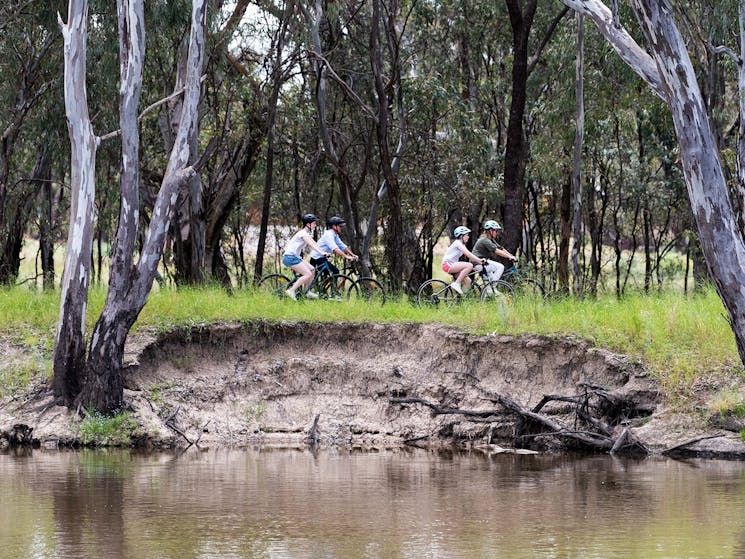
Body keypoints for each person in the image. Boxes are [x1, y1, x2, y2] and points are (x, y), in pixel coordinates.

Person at [282, 213, 330, 300]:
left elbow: (315, 243)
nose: (315, 225)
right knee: (307, 274)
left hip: (295, 257)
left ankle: (306, 291)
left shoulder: (306, 233)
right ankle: (291, 291)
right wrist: (321, 252)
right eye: (314, 223)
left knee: (312, 269)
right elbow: (311, 244)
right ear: (308, 224)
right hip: (290, 257)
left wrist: (323, 251)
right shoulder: (302, 233)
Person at [441, 226, 485, 295]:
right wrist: (479, 261)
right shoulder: (457, 243)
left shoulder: (462, 245)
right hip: (447, 265)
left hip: (452, 265)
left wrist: (474, 266)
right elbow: (468, 254)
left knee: (468, 281)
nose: (468, 237)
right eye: (467, 235)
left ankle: (462, 298)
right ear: (461, 236)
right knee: (469, 265)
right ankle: (456, 284)